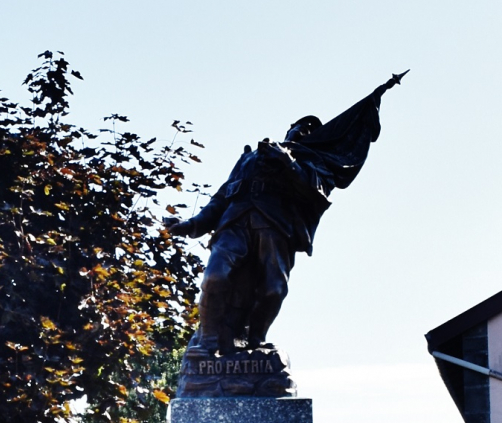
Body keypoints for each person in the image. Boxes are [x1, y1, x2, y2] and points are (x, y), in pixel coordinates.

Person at [164, 72, 407, 356]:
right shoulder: (251, 156)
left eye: (312, 130)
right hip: (235, 223)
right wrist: (190, 225)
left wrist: (289, 165)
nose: (304, 132)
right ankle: (207, 343)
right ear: (289, 128)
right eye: (301, 126)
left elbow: (316, 193)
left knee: (273, 290)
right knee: (215, 277)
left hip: (275, 227)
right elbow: (222, 196)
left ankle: (255, 342)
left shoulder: (314, 162)